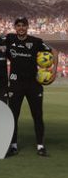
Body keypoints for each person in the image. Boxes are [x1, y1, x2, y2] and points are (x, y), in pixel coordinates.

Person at [5, 17, 58, 157]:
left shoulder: (36, 41)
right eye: (18, 25)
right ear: (15, 27)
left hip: (33, 84)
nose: (21, 28)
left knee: (38, 115)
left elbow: (55, 52)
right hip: (15, 83)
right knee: (13, 115)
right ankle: (13, 145)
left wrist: (54, 71)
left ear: (27, 26)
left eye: (23, 25)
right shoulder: (9, 39)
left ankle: (40, 146)